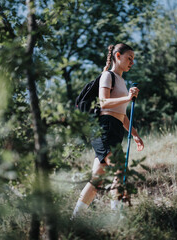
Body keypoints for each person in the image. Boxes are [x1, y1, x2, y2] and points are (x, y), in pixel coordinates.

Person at [72, 43, 144, 218]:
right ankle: (117, 216)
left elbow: (121, 114)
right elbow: (104, 103)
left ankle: (75, 218)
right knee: (120, 169)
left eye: (133, 59)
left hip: (116, 129)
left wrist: (134, 134)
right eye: (129, 58)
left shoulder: (121, 81)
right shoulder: (107, 76)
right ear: (117, 56)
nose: (132, 62)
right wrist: (128, 97)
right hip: (104, 128)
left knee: (97, 179)